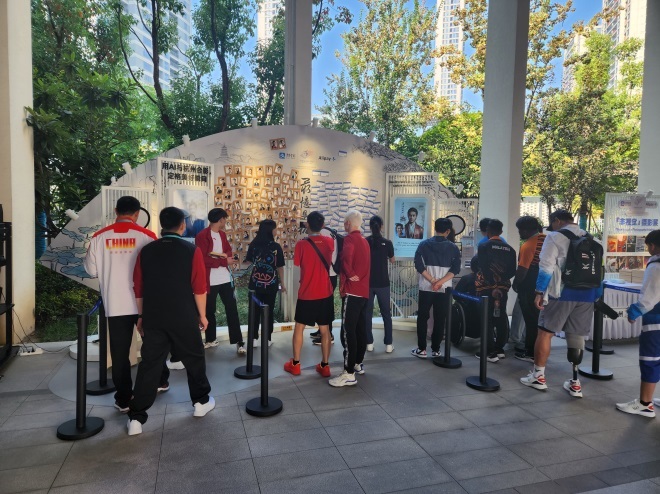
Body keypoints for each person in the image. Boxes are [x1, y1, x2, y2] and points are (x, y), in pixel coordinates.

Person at [127, 207, 214, 435]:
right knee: (194, 358)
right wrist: (202, 315)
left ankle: (136, 418)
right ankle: (201, 402)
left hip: (154, 315)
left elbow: (139, 288)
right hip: (183, 315)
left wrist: (141, 316)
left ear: (161, 226)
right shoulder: (191, 250)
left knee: (150, 364)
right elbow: (199, 288)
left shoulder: (146, 251)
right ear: (182, 225)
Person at [83, 196, 169, 413]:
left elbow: (91, 271)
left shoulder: (99, 237)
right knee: (153, 346)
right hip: (144, 304)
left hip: (114, 304)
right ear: (137, 214)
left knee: (120, 354)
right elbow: (158, 270)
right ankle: (161, 381)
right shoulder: (147, 236)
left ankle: (123, 399)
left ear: (116, 211)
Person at [520, 209, 601, 398]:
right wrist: (596, 295)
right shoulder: (593, 239)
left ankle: (538, 376)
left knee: (545, 332)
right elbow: (599, 269)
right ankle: (575, 383)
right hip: (587, 294)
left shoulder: (554, 237)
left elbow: (546, 267)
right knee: (576, 336)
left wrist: (539, 292)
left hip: (561, 293)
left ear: (557, 220)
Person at [284, 211, 334, 378]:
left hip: (307, 292)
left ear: (307, 224)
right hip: (325, 292)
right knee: (325, 329)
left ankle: (296, 364)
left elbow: (298, 263)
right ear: (322, 225)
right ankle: (325, 366)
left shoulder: (301, 244)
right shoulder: (329, 242)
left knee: (299, 327)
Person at [616, 229, 660, 418]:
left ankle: (645, 404)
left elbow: (650, 296)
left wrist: (634, 311)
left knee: (650, 360)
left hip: (656, 322)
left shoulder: (656, 266)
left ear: (653, 246)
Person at [195, 208, 245, 355]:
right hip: (209, 280)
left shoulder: (222, 235)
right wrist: (223, 261)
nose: (225, 222)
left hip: (225, 279)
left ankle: (238, 341)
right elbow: (202, 259)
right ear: (221, 219)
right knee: (209, 311)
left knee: (232, 310)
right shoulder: (202, 236)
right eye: (225, 219)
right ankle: (211, 339)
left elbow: (228, 251)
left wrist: (223, 257)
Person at [329, 210, 371, 387]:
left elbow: (346, 261)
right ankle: (357, 363)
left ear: (347, 223)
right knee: (360, 329)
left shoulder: (349, 240)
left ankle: (348, 373)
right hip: (363, 292)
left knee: (348, 332)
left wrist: (350, 273)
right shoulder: (365, 241)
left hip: (352, 292)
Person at [411, 217, 461, 359]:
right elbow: (455, 269)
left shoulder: (423, 244)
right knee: (440, 318)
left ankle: (422, 349)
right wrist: (440, 282)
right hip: (444, 288)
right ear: (448, 231)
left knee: (423, 317)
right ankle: (436, 350)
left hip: (426, 287)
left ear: (435, 228)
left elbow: (419, 266)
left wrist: (433, 280)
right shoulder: (453, 247)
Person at [475, 219, 517, 362]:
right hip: (503, 288)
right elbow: (512, 271)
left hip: (487, 288)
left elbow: (484, 268)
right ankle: (500, 349)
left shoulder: (484, 246)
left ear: (487, 231)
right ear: (501, 231)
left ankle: (489, 351)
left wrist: (493, 285)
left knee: (486, 318)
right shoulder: (510, 249)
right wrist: (500, 283)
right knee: (500, 316)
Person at [245, 220, 286, 346]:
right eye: (275, 228)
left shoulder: (253, 244)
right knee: (268, 311)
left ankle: (253, 339)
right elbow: (280, 267)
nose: (276, 231)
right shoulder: (276, 247)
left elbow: (248, 261)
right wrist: (283, 284)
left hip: (255, 284)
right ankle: (267, 339)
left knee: (254, 311)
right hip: (271, 285)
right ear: (270, 230)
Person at [512, 216, 546, 363]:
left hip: (530, 286)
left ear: (525, 230)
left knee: (530, 319)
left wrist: (516, 283)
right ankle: (540, 349)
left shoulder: (528, 245)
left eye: (519, 230)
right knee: (540, 320)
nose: (519, 233)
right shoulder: (547, 240)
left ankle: (530, 352)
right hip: (545, 285)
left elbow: (523, 270)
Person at [365, 215, 395, 353]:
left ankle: (369, 343)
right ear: (381, 226)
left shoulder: (365, 242)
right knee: (386, 315)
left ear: (370, 227)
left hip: (368, 283)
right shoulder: (387, 243)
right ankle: (388, 344)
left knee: (367, 314)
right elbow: (392, 260)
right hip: (383, 283)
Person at [310, 226, 339, 346]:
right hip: (332, 274)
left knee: (325, 305)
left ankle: (328, 334)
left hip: (327, 274)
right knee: (324, 304)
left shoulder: (322, 234)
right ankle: (322, 331)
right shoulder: (330, 232)